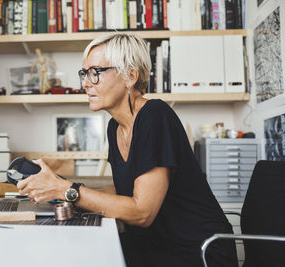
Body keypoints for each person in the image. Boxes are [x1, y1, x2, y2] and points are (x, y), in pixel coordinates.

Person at [16, 32, 238, 267]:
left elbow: (142, 212)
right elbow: (126, 189)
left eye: (95, 72)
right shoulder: (116, 126)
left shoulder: (155, 116)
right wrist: (67, 195)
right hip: (155, 244)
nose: (85, 83)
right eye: (84, 73)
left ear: (130, 76)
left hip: (195, 251)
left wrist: (67, 190)